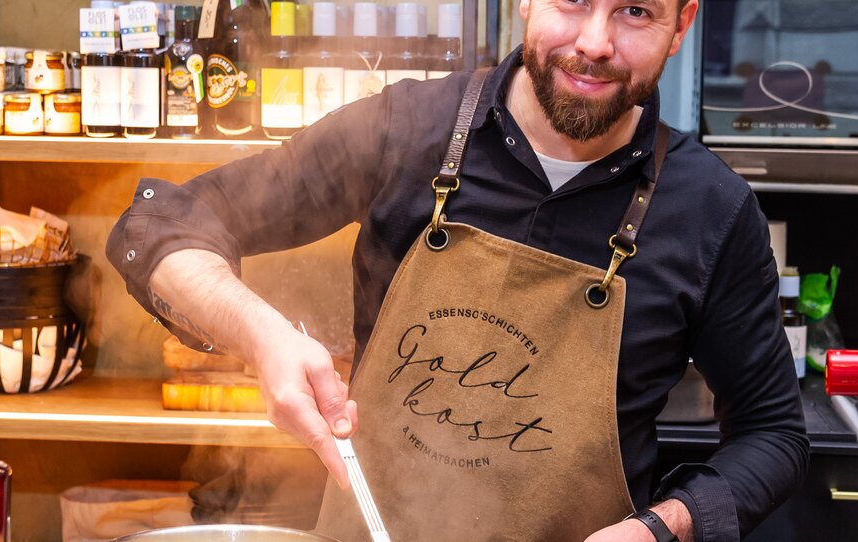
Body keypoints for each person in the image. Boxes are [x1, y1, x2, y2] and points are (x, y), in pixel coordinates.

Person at [107, 0, 809, 540]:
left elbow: (774, 434)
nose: (596, 41)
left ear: (681, 24)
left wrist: (665, 525)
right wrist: (262, 335)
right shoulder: (406, 130)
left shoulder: (711, 211)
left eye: (636, 12)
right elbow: (159, 224)